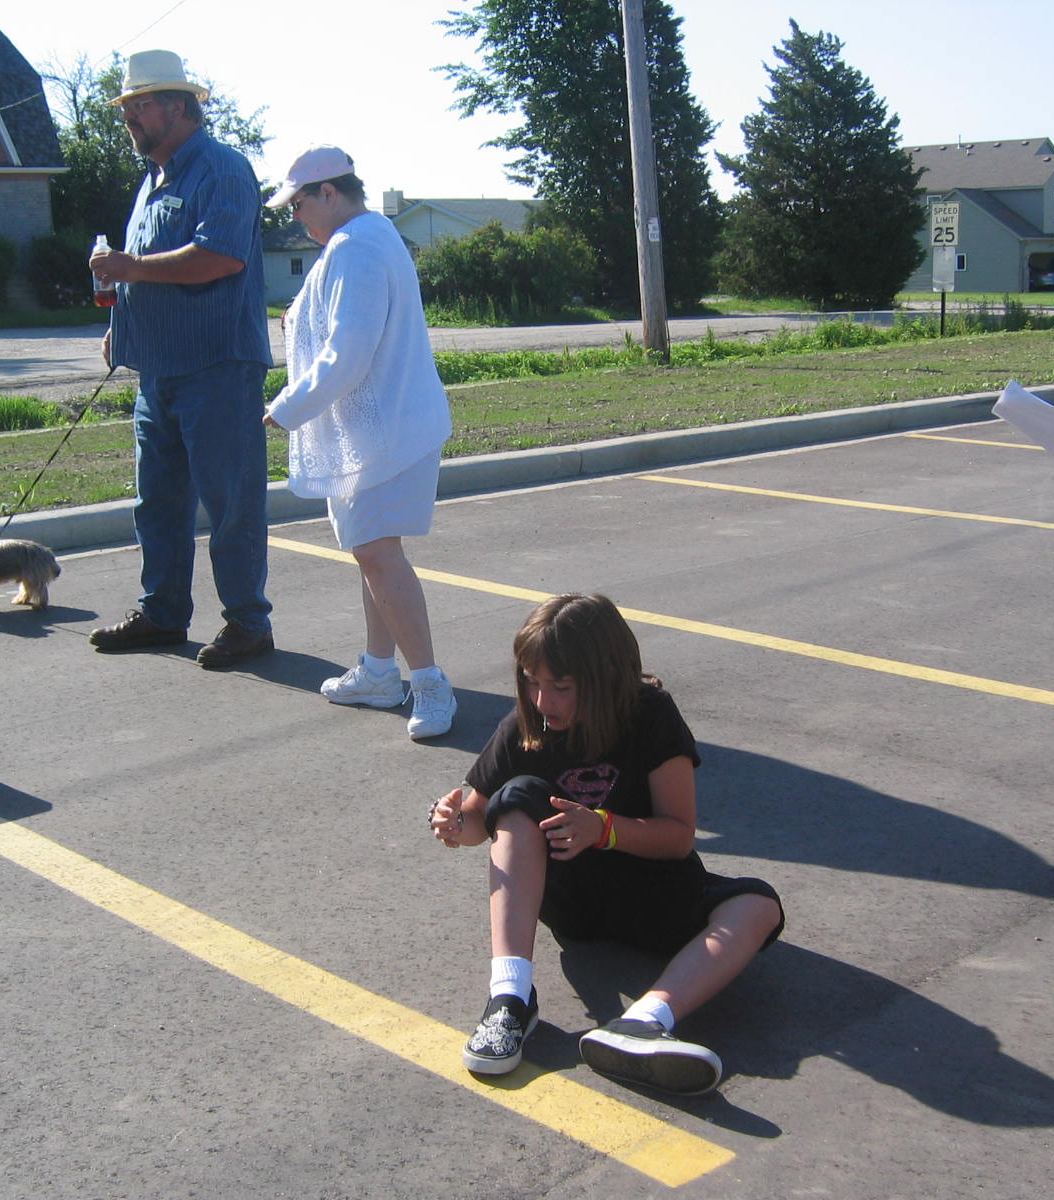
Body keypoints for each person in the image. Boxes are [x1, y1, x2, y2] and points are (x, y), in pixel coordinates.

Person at [428, 594, 784, 1093]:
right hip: (576, 903)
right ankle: (510, 998)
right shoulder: (526, 728)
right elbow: (478, 819)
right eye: (531, 681)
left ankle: (644, 1022)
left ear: (608, 675)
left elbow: (678, 835)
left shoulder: (650, 715)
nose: (542, 701)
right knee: (516, 795)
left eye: (561, 686)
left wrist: (604, 828)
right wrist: (451, 822)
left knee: (759, 905)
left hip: (653, 889)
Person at [86, 50, 273, 670]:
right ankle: (163, 613)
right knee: (158, 504)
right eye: (127, 107)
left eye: (140, 105)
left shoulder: (222, 169)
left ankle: (248, 623)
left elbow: (220, 257)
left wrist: (131, 268)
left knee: (230, 504)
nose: (129, 118)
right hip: (159, 372)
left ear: (178, 107)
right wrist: (122, 324)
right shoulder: (152, 181)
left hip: (217, 367)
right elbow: (139, 274)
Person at [263, 147, 455, 739]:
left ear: (328, 192)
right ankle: (378, 671)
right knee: (374, 552)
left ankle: (429, 683)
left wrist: (285, 409)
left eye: (298, 204)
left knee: (377, 553)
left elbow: (348, 351)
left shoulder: (356, 247)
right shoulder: (367, 237)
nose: (295, 216)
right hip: (379, 429)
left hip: (386, 431)